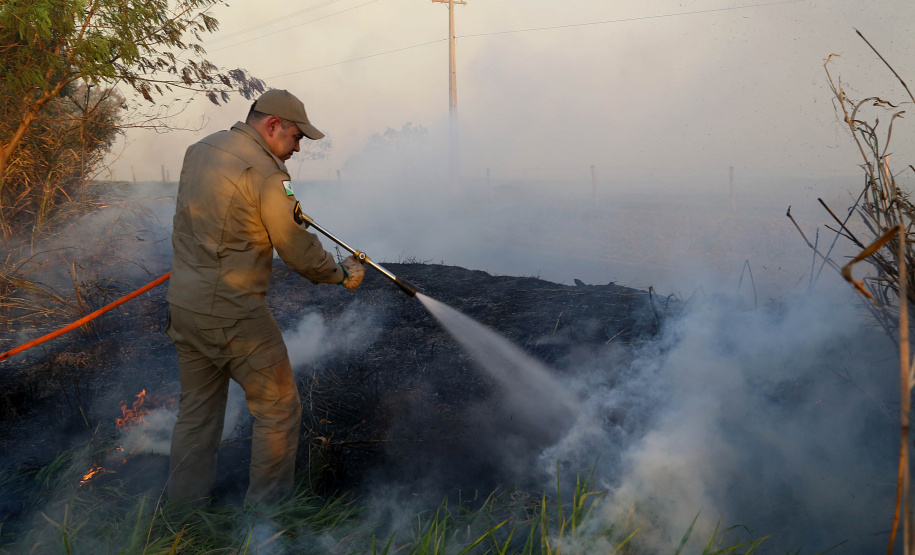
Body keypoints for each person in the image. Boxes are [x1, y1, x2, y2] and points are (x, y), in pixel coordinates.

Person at [165, 89, 365, 505]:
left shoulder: (200, 150)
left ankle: (181, 514)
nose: (297, 149)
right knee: (278, 409)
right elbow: (294, 247)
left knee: (197, 413)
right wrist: (341, 272)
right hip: (233, 311)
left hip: (184, 305)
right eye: (296, 139)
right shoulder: (267, 173)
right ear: (272, 125)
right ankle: (267, 521)